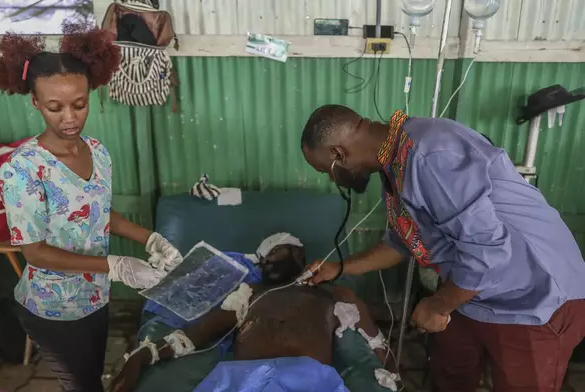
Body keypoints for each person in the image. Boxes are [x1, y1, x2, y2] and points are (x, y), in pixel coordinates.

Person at [299, 105, 585, 391]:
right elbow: (404, 243)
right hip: (473, 289)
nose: (330, 179)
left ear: (338, 154)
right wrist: (339, 268)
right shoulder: (395, 162)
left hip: (534, 296)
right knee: (449, 374)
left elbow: (488, 252)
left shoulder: (428, 155)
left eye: (326, 170)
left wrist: (438, 304)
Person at [0, 23, 183, 392]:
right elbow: (34, 252)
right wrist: (116, 266)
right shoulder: (23, 168)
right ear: (35, 102)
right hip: (52, 308)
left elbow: (96, 215)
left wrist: (151, 239)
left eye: (79, 104)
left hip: (94, 297)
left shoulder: (97, 151)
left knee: (90, 378)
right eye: (54, 107)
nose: (69, 118)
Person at [111, 233, 398, 392]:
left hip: (308, 381)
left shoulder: (335, 296)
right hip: (241, 381)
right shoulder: (248, 293)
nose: (265, 260)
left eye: (274, 251)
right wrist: (141, 357)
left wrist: (392, 380)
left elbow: (376, 349)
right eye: (261, 258)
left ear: (298, 253)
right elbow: (194, 336)